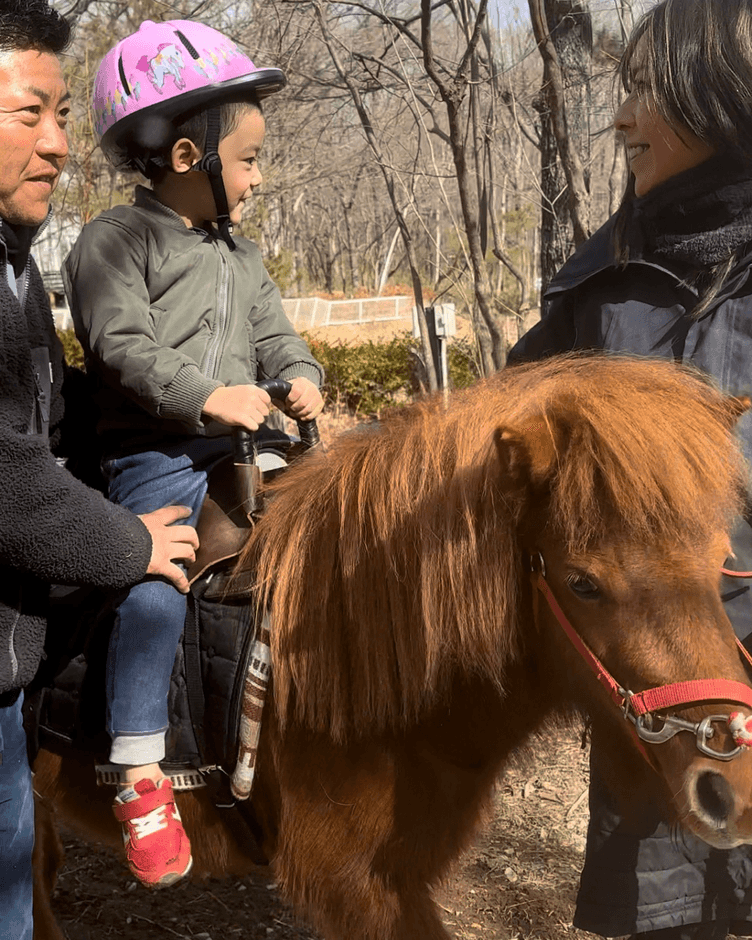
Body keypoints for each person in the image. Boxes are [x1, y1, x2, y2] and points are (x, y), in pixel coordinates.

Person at [508, 0, 752, 937]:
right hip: (658, 710)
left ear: (720, 94)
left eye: (644, 89)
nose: (620, 120)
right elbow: (490, 429)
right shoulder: (598, 286)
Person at [63, 18, 325, 890]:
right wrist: (205, 394)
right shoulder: (114, 242)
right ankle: (141, 770)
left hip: (249, 449)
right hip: (155, 454)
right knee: (157, 580)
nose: (257, 177)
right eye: (248, 160)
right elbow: (121, 347)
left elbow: (275, 333)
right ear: (186, 157)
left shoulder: (242, 257)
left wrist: (299, 373)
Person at [0, 2, 202, 937]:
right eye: (27, 113)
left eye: (63, 119)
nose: (56, 146)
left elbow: (49, 406)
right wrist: (132, 540)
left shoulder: (13, 269)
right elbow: (8, 475)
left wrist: (176, 414)